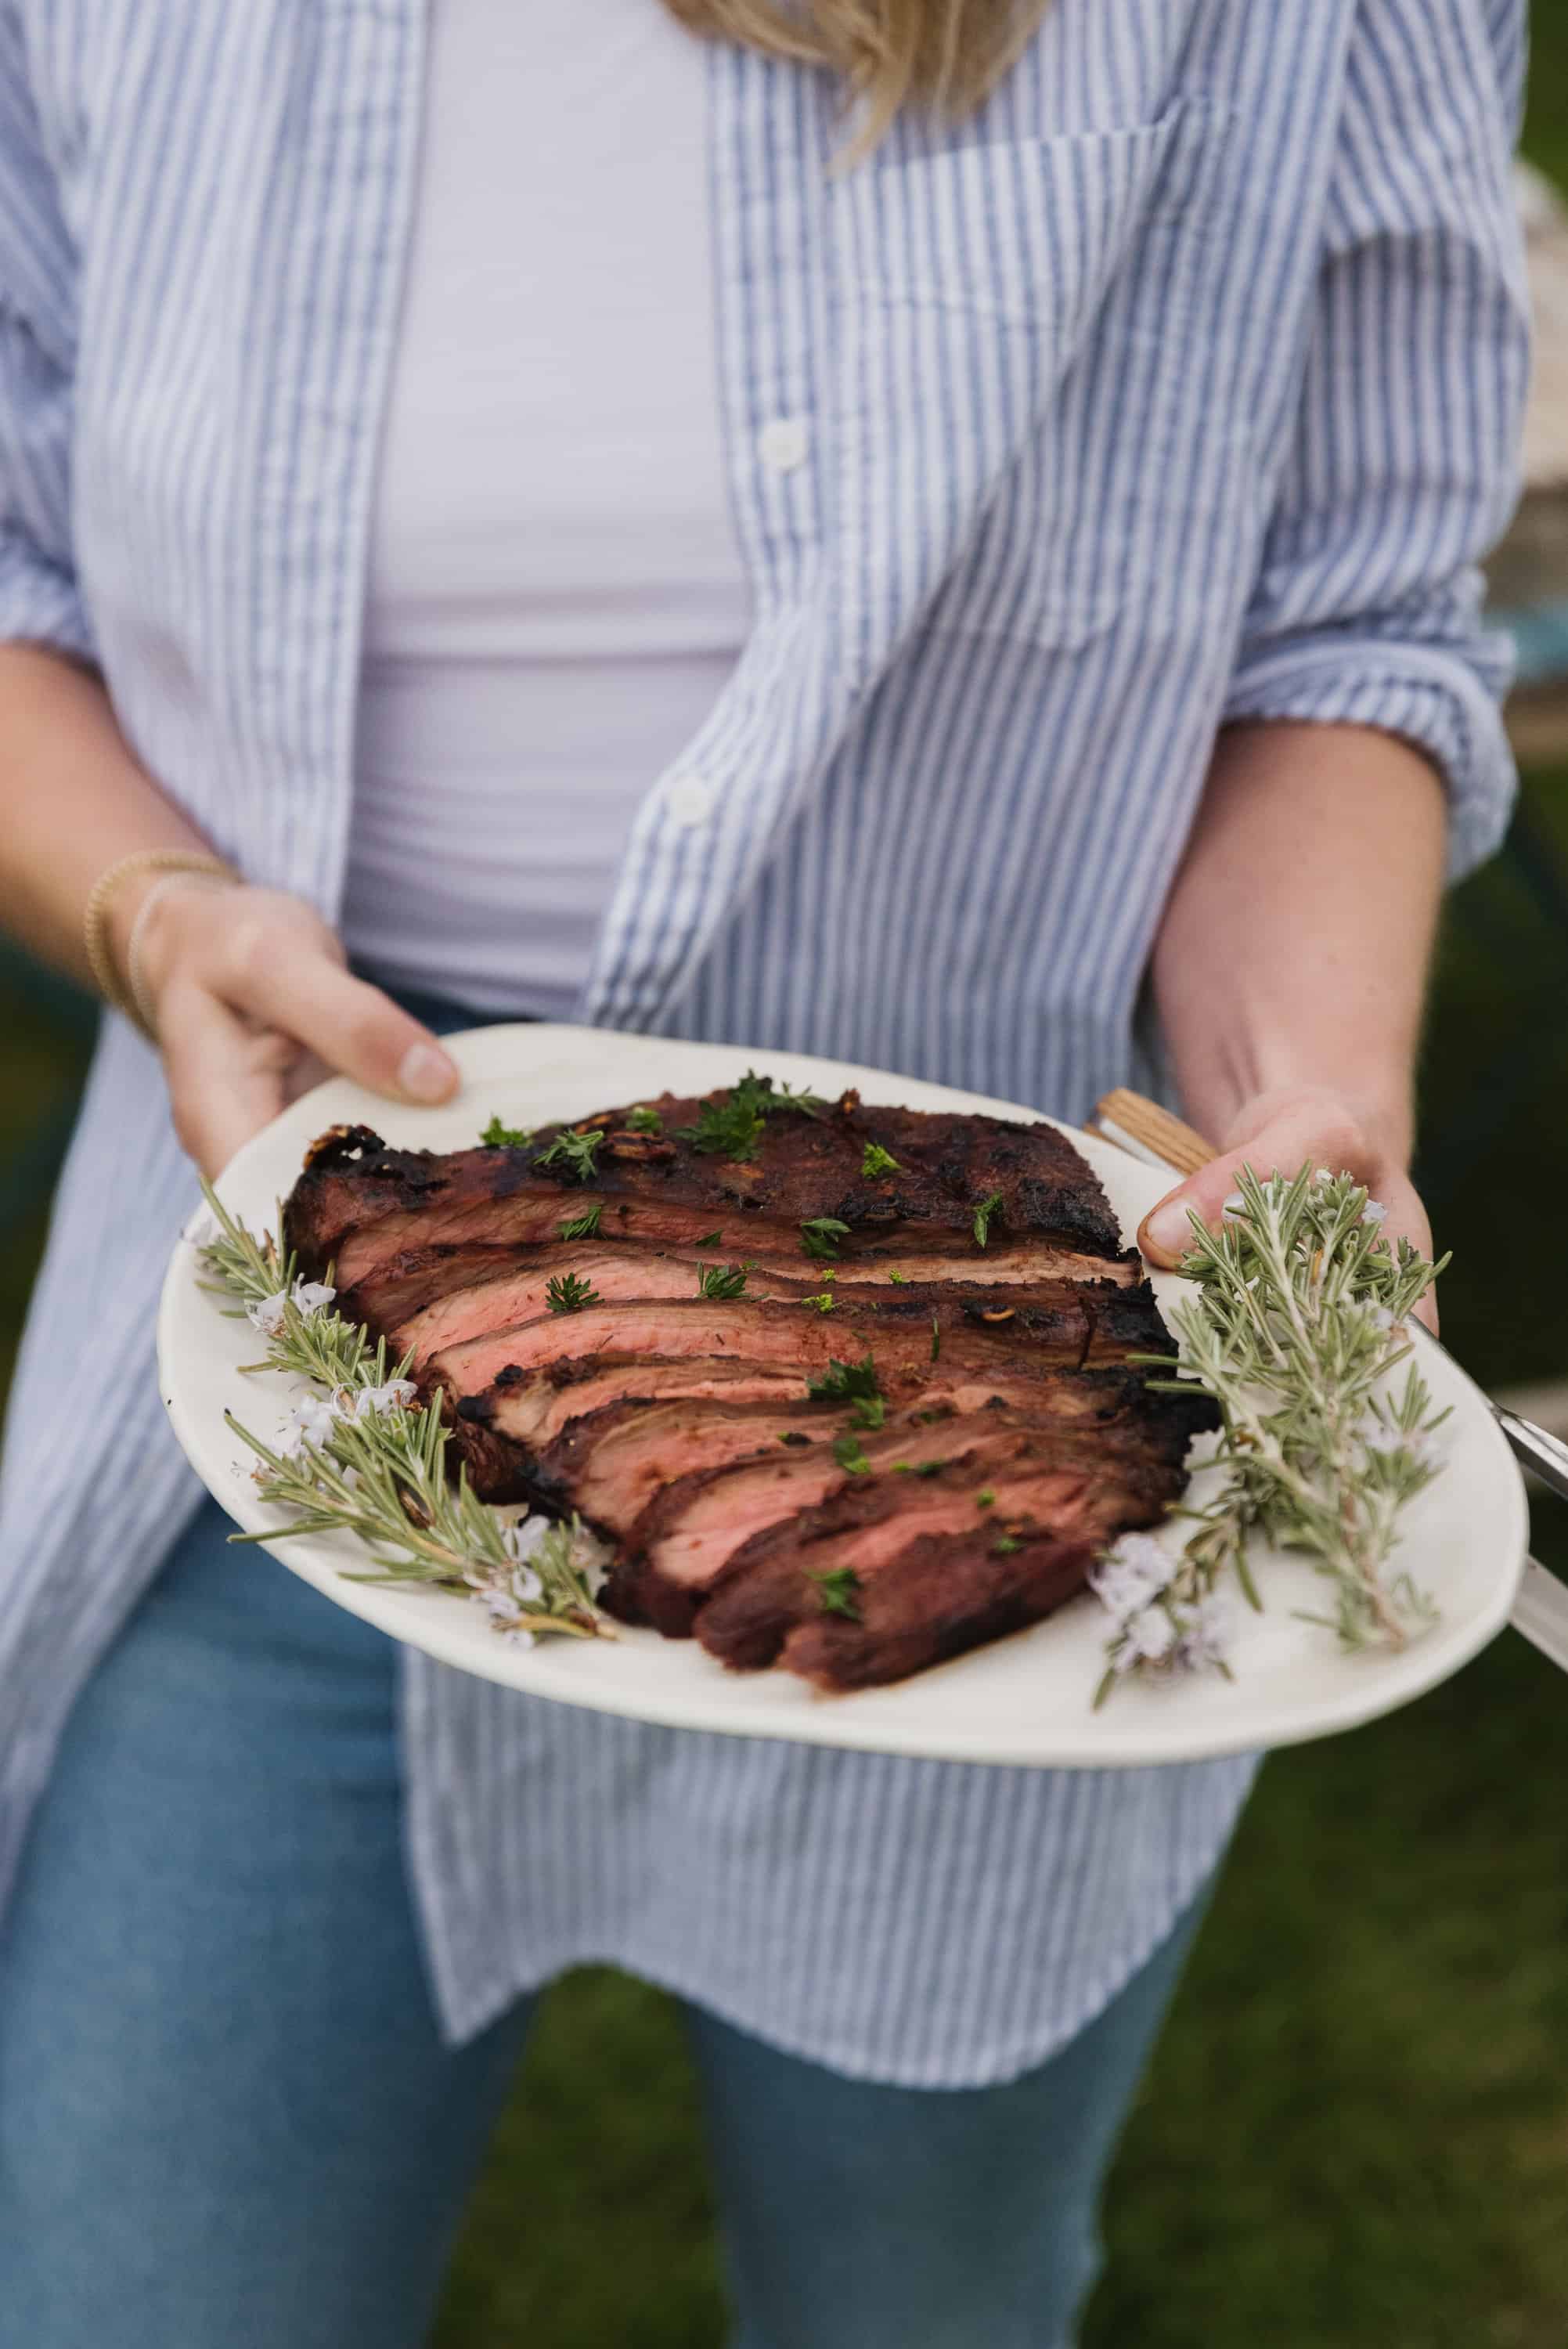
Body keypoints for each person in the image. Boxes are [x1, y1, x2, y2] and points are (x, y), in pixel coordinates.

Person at [0, 2, 1527, 2343]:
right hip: (284, 1326)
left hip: (1014, 1308)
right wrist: (151, 911)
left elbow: (1336, 630)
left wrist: (1301, 1095)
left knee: (919, 2297)